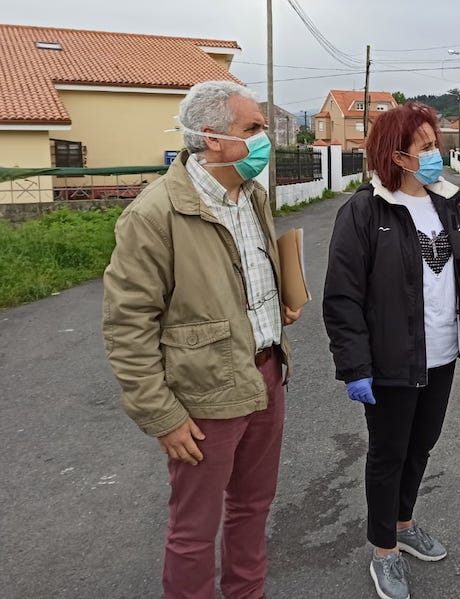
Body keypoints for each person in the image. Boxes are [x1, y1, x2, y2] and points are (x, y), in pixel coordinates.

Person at [102, 80, 301, 599]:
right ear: (212, 137)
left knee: (253, 508)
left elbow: (231, 282)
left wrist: (272, 310)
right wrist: (161, 415)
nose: (265, 139)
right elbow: (128, 324)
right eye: (253, 129)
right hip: (204, 391)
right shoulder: (154, 215)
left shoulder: (251, 196)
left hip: (266, 374)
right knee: (194, 528)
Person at [323, 102, 460, 599]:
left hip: (440, 357)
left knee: (421, 446)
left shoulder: (448, 206)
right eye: (425, 147)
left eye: (435, 144)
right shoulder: (364, 212)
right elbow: (342, 297)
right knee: (388, 454)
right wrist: (354, 366)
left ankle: (403, 522)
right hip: (390, 363)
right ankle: (384, 552)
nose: (436, 153)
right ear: (398, 156)